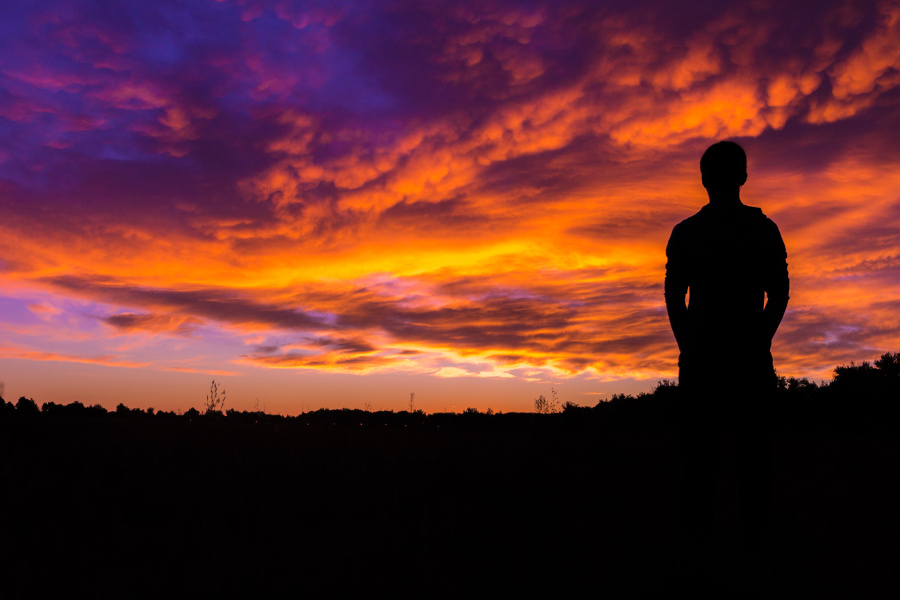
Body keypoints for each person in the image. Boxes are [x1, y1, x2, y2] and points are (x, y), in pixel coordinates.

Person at [664, 141, 789, 562]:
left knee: (701, 457)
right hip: (741, 358)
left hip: (709, 358)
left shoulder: (688, 232)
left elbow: (672, 293)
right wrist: (761, 337)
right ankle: (748, 542)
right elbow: (781, 291)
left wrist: (688, 342)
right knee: (752, 456)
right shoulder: (763, 230)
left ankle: (700, 542)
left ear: (704, 179)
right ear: (743, 176)